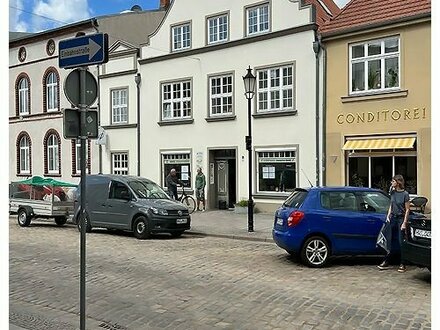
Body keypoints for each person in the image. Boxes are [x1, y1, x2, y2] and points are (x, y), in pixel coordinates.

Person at [377, 174, 410, 272]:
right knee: (388, 239)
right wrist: (388, 215)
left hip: (400, 218)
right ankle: (386, 261)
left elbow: (408, 209)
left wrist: (404, 222)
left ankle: (403, 263)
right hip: (393, 218)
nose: (392, 183)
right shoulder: (392, 192)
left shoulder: (405, 194)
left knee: (401, 241)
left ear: (398, 182)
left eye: (393, 181)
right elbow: (391, 205)